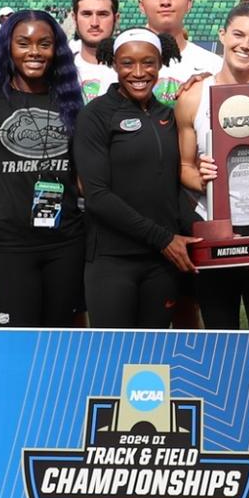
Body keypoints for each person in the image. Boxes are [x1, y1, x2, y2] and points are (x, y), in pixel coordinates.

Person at [0, 9, 87, 329]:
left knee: (64, 338)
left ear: (55, 49)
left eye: (44, 44)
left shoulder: (70, 98)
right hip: (11, 245)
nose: (34, 51)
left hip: (66, 242)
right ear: (8, 48)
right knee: (17, 340)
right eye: (24, 43)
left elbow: (82, 178)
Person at [177, 0, 249, 330]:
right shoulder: (193, 96)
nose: (246, 45)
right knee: (219, 338)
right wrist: (203, 179)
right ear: (223, 35)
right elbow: (183, 166)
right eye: (238, 35)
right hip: (214, 234)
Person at [73, 30, 197, 327]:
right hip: (112, 261)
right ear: (113, 63)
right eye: (128, 63)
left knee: (151, 362)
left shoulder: (168, 115)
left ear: (161, 63)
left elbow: (175, 181)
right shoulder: (96, 115)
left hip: (162, 263)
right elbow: (97, 195)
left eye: (149, 63)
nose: (139, 72)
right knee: (114, 360)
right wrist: (164, 239)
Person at [136, 0, 224, 105]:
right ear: (141, 6)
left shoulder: (215, 66)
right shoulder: (122, 66)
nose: (165, 1)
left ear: (188, 4)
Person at [70, 0, 121, 99]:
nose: (94, 23)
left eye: (103, 14)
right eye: (86, 14)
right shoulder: (59, 70)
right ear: (74, 18)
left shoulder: (133, 72)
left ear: (116, 19)